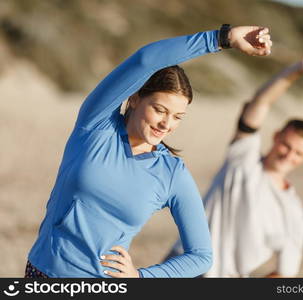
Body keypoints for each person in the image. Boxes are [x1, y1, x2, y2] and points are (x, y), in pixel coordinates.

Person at [25, 24, 272, 278]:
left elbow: (201, 256)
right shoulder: (97, 125)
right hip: (43, 274)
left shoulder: (172, 174)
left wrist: (143, 277)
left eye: (178, 116)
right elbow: (146, 60)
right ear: (134, 98)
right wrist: (223, 38)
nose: (167, 124)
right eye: (160, 110)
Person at [167, 51, 303, 277]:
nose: (289, 155)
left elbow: (284, 273)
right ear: (276, 136)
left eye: (298, 153)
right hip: (181, 269)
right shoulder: (243, 160)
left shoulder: (294, 213)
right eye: (286, 146)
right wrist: (297, 70)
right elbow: (260, 103)